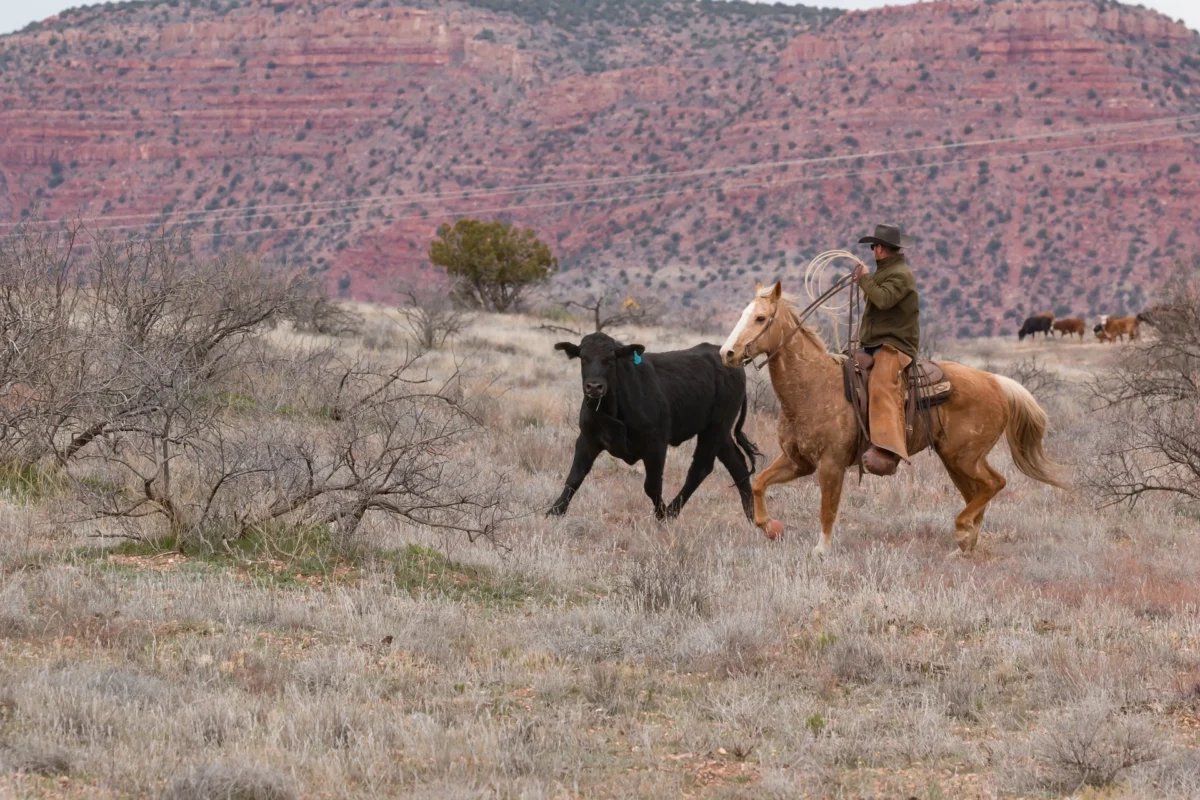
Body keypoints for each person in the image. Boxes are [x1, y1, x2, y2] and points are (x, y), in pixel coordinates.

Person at [850, 223, 920, 477]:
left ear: (880, 249)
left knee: (881, 384)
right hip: (872, 343)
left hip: (895, 344)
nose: (872, 251)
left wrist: (864, 279)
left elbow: (883, 299)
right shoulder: (885, 273)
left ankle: (888, 449)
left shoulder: (901, 274)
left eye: (873, 246)